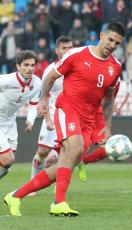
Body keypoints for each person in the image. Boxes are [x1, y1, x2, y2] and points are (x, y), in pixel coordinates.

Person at [4, 22, 125, 217]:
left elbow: (109, 99)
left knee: (63, 165)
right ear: (101, 35)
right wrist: (43, 99)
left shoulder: (115, 67)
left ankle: (16, 196)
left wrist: (107, 126)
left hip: (89, 119)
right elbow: (50, 76)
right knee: (75, 148)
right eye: (110, 39)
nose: (112, 45)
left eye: (117, 43)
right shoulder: (77, 54)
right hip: (67, 108)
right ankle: (58, 203)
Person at [30, 36, 73, 187]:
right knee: (41, 153)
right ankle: (33, 185)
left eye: (70, 48)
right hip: (53, 115)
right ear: (56, 51)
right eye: (64, 48)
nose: (68, 51)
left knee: (64, 154)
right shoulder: (50, 70)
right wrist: (47, 119)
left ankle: (59, 189)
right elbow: (44, 96)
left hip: (69, 117)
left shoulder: (76, 68)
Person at [0, 50, 41, 180]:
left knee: (7, 165)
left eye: (32, 65)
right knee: (7, 159)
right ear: (18, 66)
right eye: (26, 65)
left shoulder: (37, 83)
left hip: (11, 122)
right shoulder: (6, 80)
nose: (30, 69)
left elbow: (34, 104)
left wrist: (30, 121)